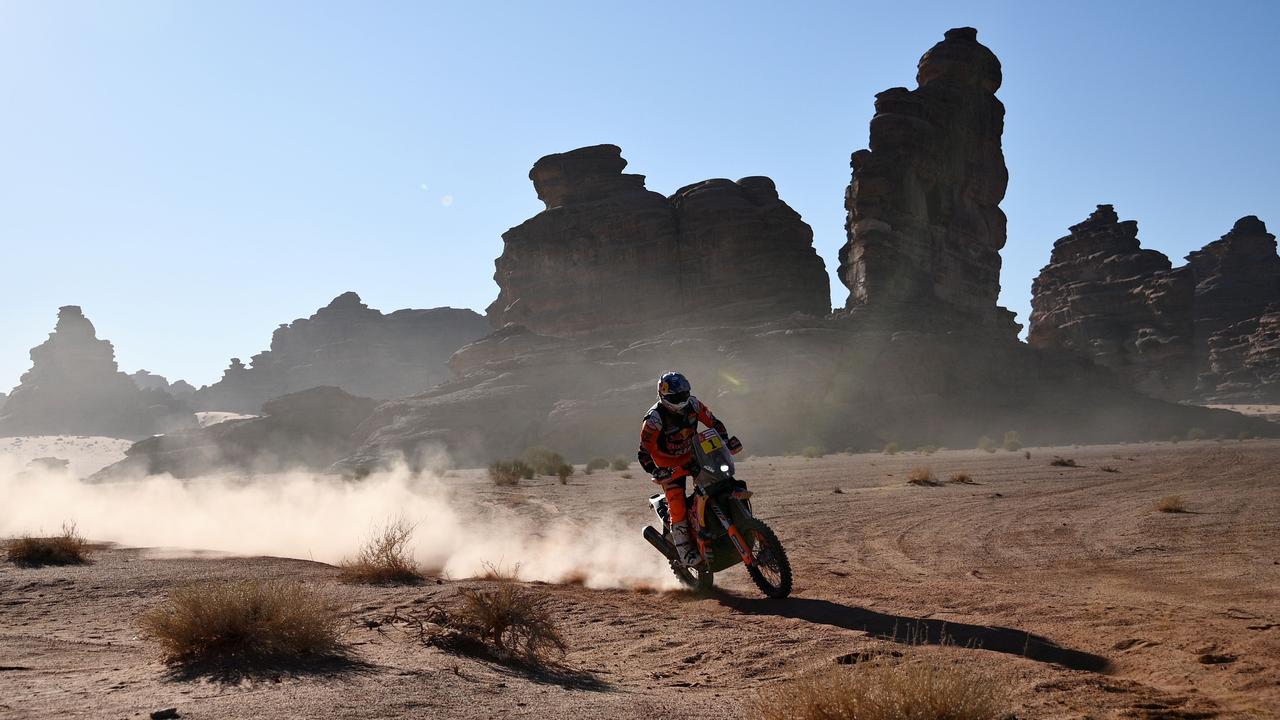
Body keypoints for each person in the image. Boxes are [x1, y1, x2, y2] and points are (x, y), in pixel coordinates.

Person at [637, 372, 742, 568]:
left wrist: (726, 442)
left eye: (684, 394)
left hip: (696, 456)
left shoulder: (693, 404)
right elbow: (643, 452)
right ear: (664, 396)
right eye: (676, 397)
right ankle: (685, 551)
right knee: (677, 503)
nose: (682, 399)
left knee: (720, 482)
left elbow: (715, 423)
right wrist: (655, 471)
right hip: (669, 466)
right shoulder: (654, 419)